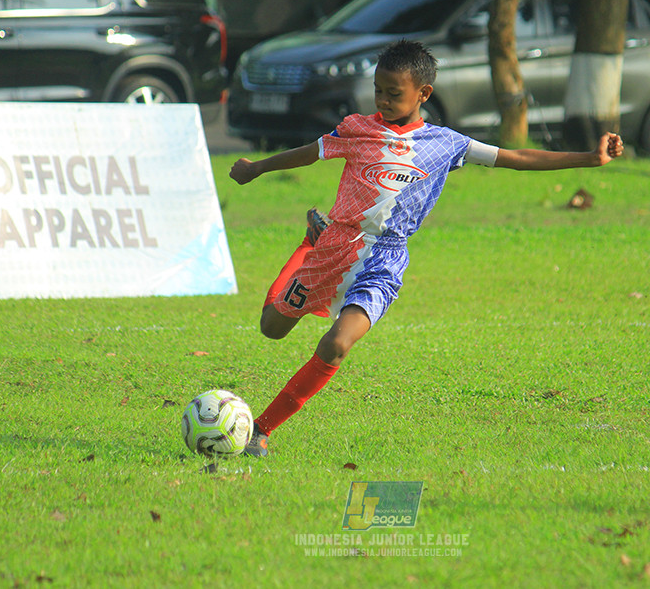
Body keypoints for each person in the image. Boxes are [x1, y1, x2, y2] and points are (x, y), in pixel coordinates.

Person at [229, 39, 623, 457]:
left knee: (336, 344)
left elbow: (516, 157)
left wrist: (590, 158)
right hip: (335, 246)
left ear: (424, 94)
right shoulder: (356, 129)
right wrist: (257, 168)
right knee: (271, 328)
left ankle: (261, 430)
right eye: (378, 90)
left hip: (385, 259)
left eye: (394, 93)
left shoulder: (446, 144)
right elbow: (310, 153)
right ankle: (308, 244)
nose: (383, 100)